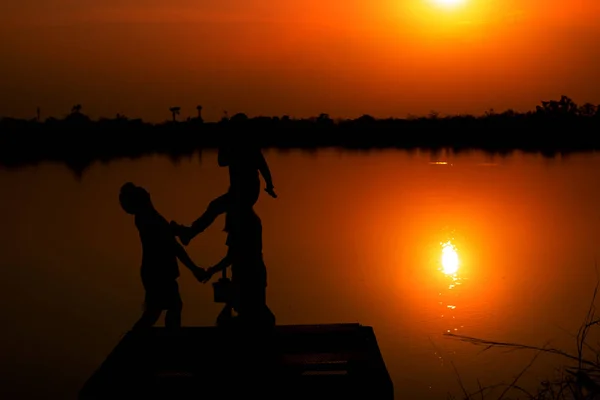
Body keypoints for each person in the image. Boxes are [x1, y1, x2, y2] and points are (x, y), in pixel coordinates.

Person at [119, 182, 206, 330]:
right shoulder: (150, 220)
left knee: (160, 310)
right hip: (158, 273)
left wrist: (174, 230)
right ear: (143, 202)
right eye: (147, 198)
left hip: (154, 272)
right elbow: (174, 247)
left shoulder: (147, 219)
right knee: (167, 308)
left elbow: (169, 239)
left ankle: (143, 335)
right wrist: (194, 269)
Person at [172, 135, 277, 246]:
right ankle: (190, 233)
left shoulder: (248, 148)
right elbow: (222, 162)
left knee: (218, 208)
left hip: (246, 192)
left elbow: (263, 168)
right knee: (217, 208)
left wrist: (269, 186)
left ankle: (190, 233)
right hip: (240, 191)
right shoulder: (238, 147)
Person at [202, 205, 275, 328]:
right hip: (255, 273)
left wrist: (212, 270)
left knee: (249, 314)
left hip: (245, 275)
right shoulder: (255, 221)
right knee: (256, 311)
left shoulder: (239, 223)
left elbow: (230, 257)